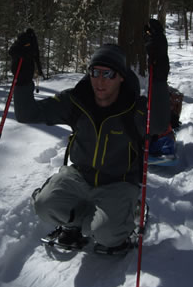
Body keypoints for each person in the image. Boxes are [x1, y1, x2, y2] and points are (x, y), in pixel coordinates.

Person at [9, 19, 170, 253]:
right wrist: (22, 75)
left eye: (108, 74)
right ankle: (78, 223)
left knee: (107, 236)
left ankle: (121, 217)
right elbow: (26, 114)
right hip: (79, 176)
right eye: (95, 72)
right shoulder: (76, 101)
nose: (100, 80)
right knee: (44, 205)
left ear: (121, 77)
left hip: (119, 182)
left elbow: (158, 123)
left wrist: (159, 73)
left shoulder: (133, 108)